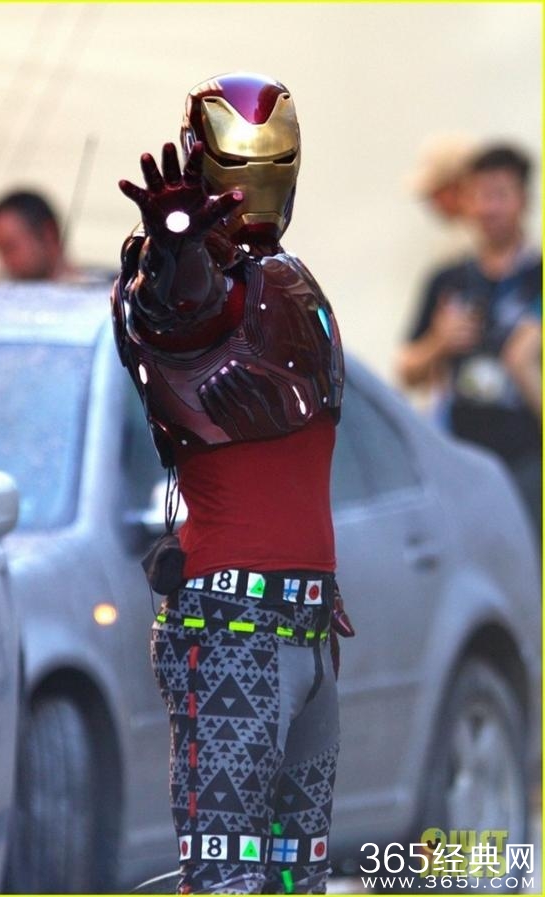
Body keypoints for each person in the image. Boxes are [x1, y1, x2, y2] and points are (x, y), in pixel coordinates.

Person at [110, 72, 353, 894]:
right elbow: (181, 310)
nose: (253, 194)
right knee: (228, 875)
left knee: (293, 877)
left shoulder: (283, 279)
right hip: (230, 627)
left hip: (302, 625)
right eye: (240, 172)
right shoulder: (181, 282)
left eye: (271, 168)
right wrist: (176, 243)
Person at [397, 144, 542, 534]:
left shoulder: (538, 280)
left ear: (523, 200)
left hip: (529, 460)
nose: (488, 208)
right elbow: (406, 370)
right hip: (462, 460)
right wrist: (439, 342)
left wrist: (525, 365)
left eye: (500, 195)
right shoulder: (447, 279)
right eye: (479, 195)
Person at [0, 188, 78, 281]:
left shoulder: (82, 289)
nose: (3, 263)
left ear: (49, 235)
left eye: (9, 248)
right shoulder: (5, 285)